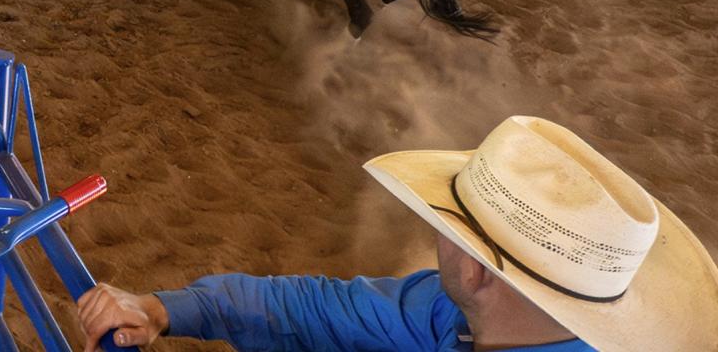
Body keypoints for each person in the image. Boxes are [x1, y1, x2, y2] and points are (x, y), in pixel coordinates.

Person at [75, 115, 718, 352]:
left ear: (474, 269)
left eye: (445, 227)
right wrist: (166, 307)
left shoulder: (453, 314)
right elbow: (316, 308)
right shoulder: (456, 315)